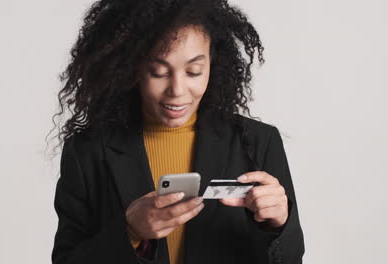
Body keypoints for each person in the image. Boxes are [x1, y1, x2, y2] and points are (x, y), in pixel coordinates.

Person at [50, 0, 305, 263]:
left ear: (213, 65)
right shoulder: (88, 152)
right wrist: (130, 232)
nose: (178, 90)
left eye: (194, 72)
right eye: (158, 72)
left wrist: (278, 223)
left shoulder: (258, 142)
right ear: (131, 67)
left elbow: (291, 257)